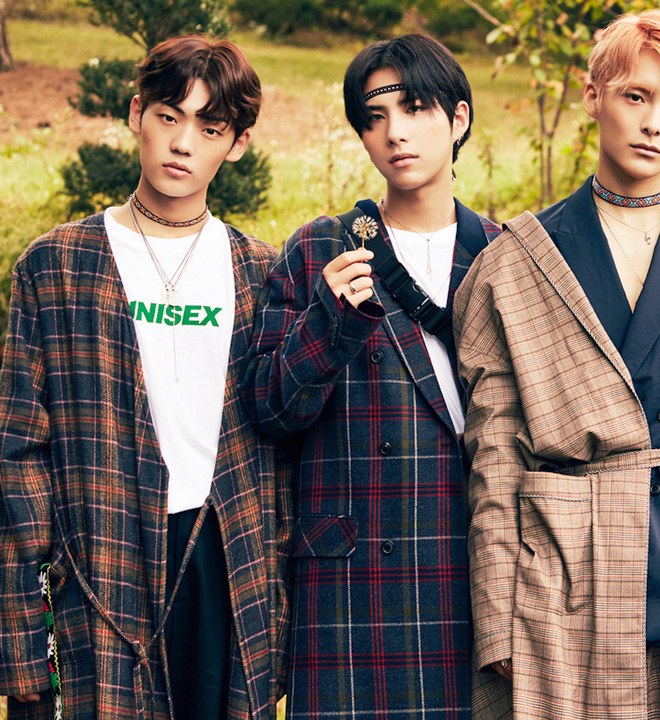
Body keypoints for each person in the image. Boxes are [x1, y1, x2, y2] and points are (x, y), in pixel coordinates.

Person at [454, 9, 660, 719]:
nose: (652, 124)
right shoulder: (517, 261)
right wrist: (496, 614)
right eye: (635, 96)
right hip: (556, 573)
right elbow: (494, 453)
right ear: (593, 96)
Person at [0, 35, 287, 720]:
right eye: (168, 116)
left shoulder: (261, 273)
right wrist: (20, 630)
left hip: (223, 556)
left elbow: (282, 450)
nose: (182, 144)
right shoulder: (56, 266)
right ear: (137, 113)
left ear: (237, 144)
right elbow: (17, 455)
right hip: (99, 555)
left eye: (209, 128)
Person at [242, 33, 502, 719]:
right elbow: (269, 410)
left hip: (473, 564)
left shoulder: (504, 254)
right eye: (374, 117)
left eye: (414, 109)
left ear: (459, 118)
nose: (395, 134)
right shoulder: (320, 247)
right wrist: (328, 322)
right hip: (352, 581)